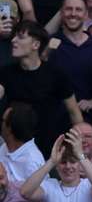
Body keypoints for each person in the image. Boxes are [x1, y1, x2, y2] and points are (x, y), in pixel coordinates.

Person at [0, 21, 83, 157]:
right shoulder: (6, 72)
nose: (13, 40)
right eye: (13, 36)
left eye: (20, 37)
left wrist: (80, 147)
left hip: (50, 149)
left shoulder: (56, 74)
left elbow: (74, 112)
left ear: (36, 45)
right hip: (16, 149)